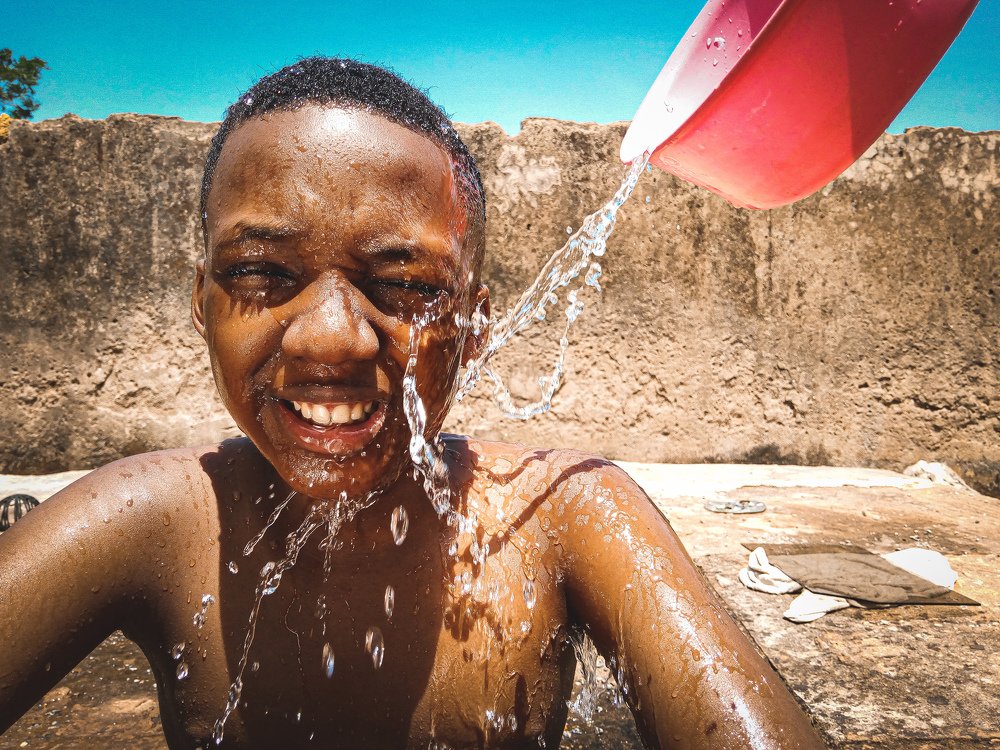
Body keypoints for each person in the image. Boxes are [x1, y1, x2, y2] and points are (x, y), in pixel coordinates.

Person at [0, 58, 826, 749]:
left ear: (474, 327)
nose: (331, 341)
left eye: (404, 286)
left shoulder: (563, 515)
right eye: (262, 272)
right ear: (202, 301)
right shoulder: (148, 520)